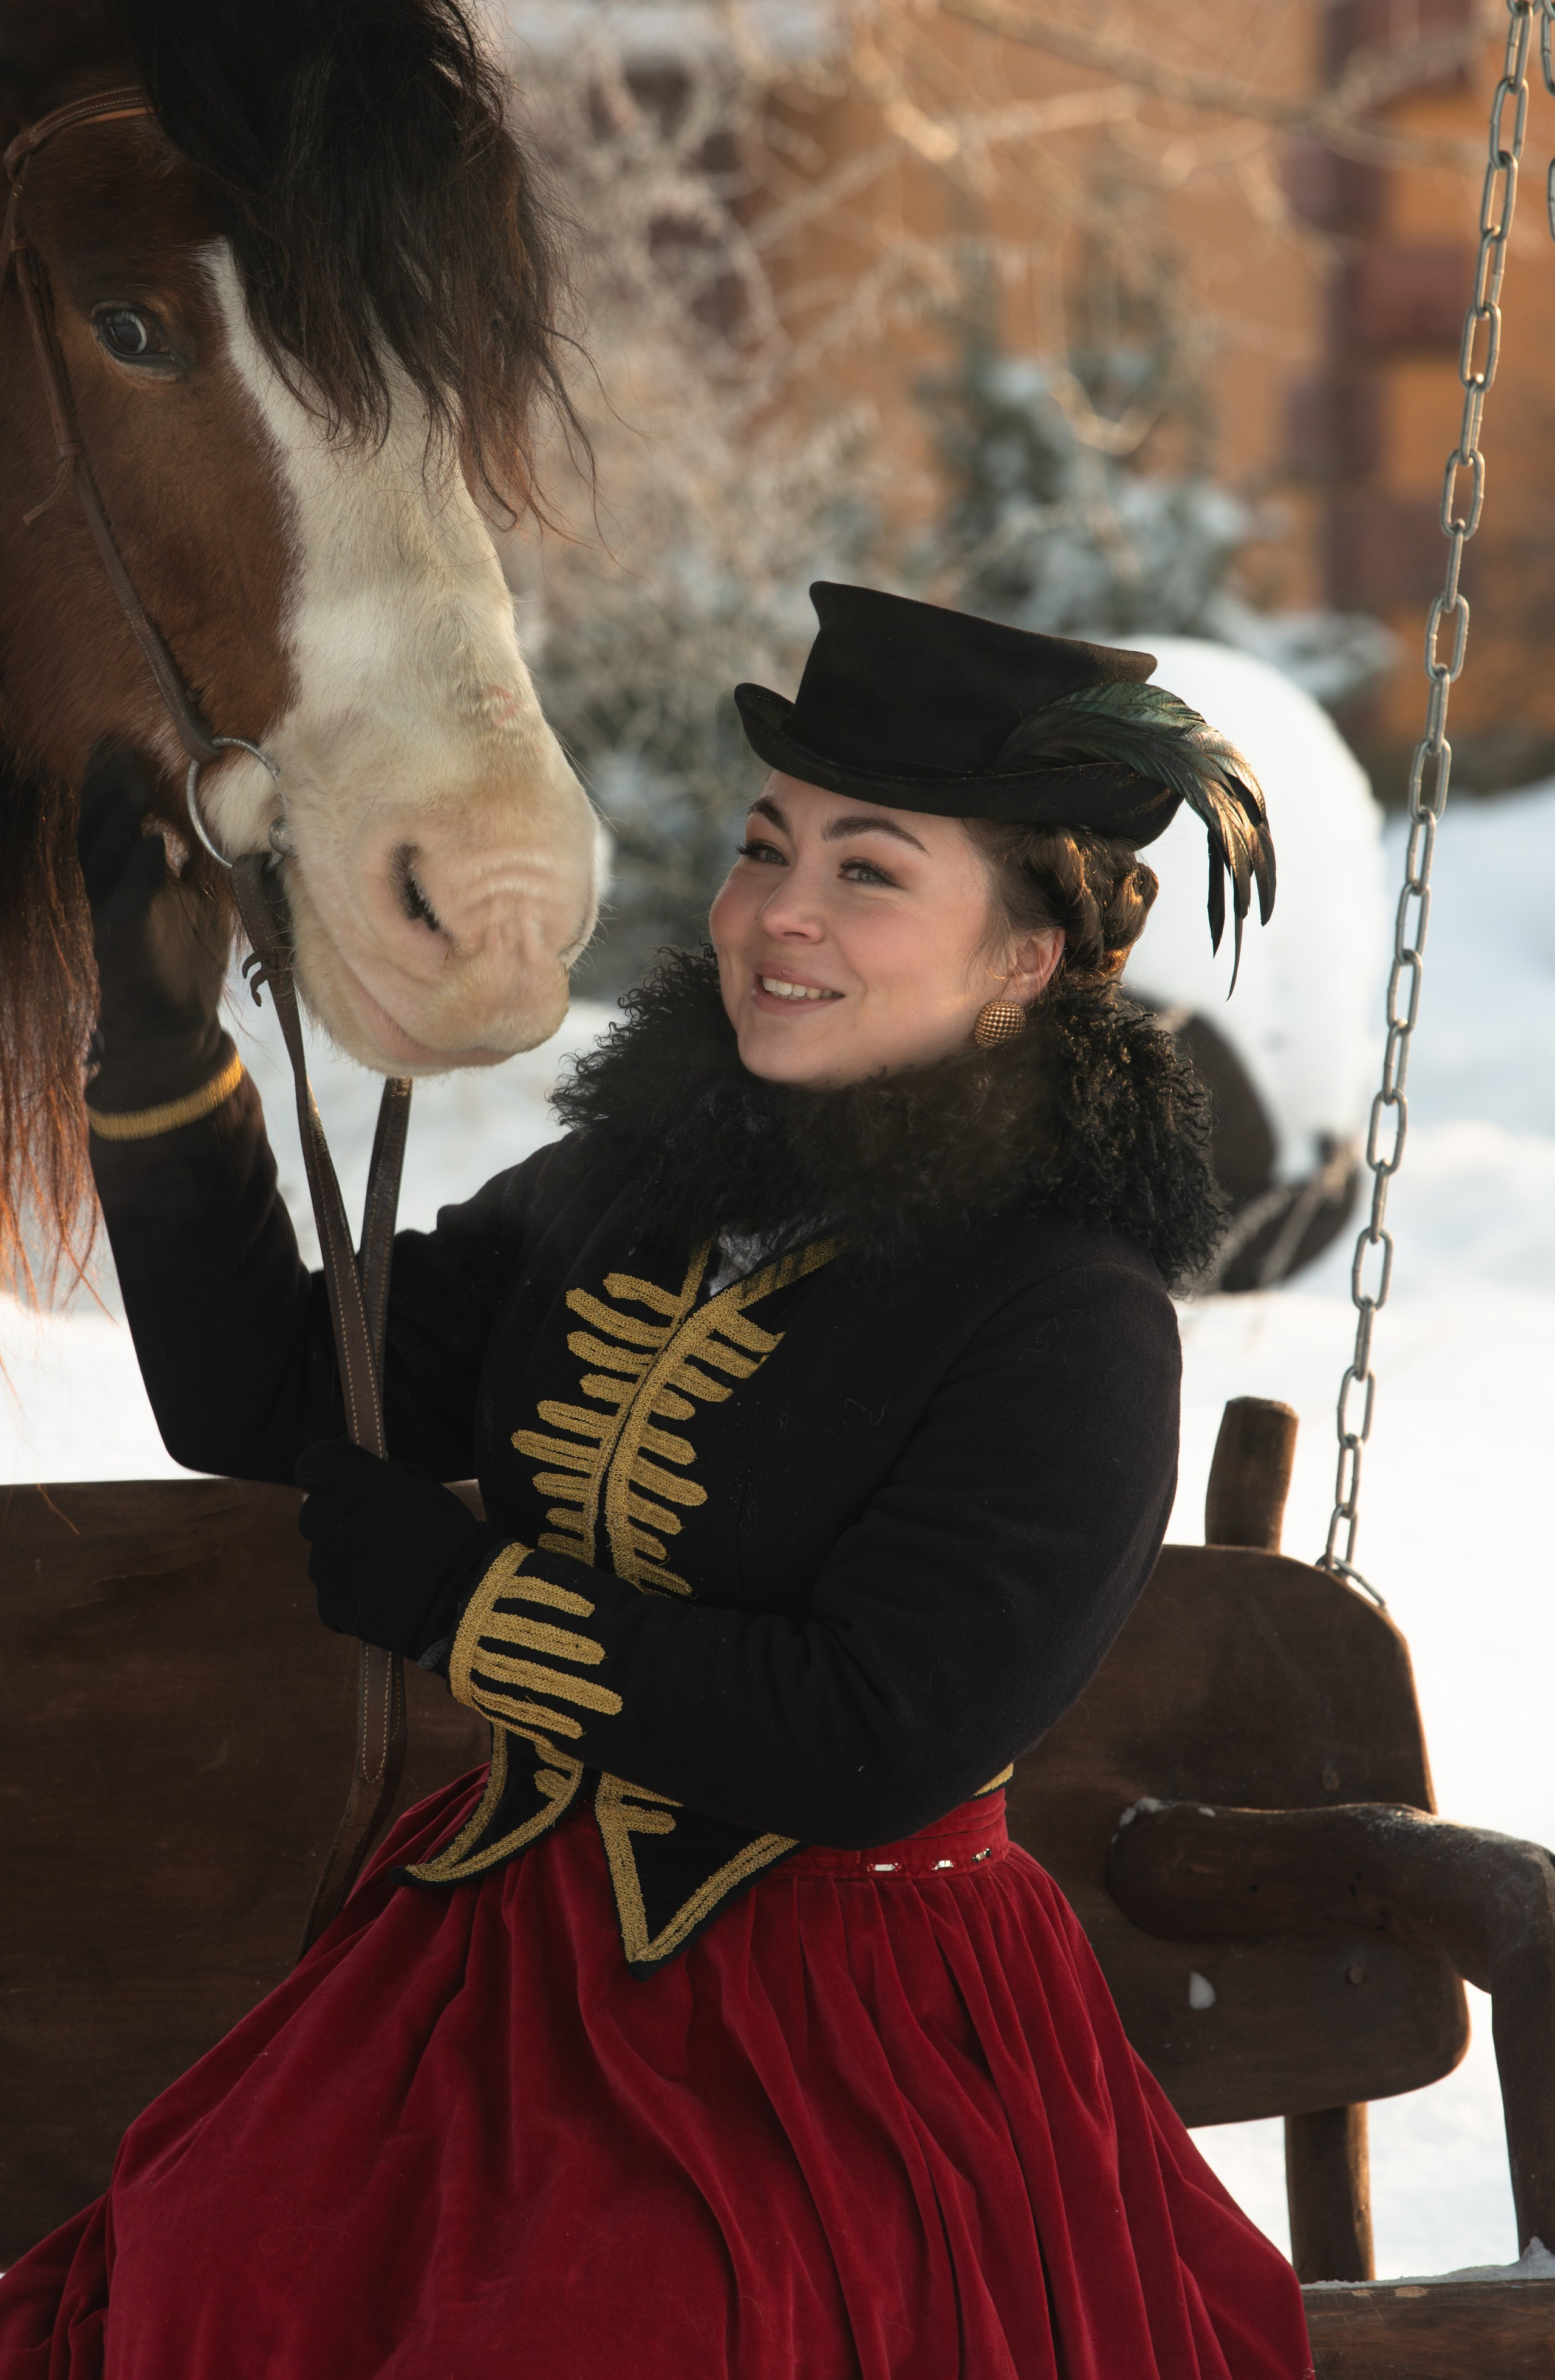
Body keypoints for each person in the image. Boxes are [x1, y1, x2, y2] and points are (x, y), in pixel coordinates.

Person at [0, 586, 1311, 2379]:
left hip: (844, 2046)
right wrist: (162, 1055)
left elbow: (878, 1737)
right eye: (767, 845)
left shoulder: (1062, 1312)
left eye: (871, 871)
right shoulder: (628, 1192)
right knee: (212, 2268)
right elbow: (280, 1393)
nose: (779, 912)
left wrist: (470, 1609)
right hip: (500, 1968)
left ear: (1027, 957)